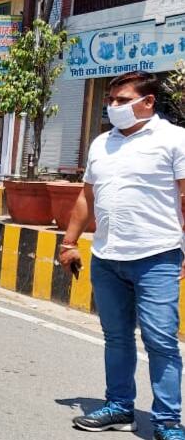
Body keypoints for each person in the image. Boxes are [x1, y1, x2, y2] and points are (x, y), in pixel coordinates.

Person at [60, 71, 185, 439]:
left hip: (156, 257)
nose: (113, 106)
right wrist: (69, 243)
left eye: (121, 100)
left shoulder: (175, 139)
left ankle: (167, 422)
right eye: (110, 100)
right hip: (107, 257)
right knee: (116, 337)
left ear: (147, 102)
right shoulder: (102, 144)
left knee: (160, 339)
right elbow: (86, 197)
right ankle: (119, 406)